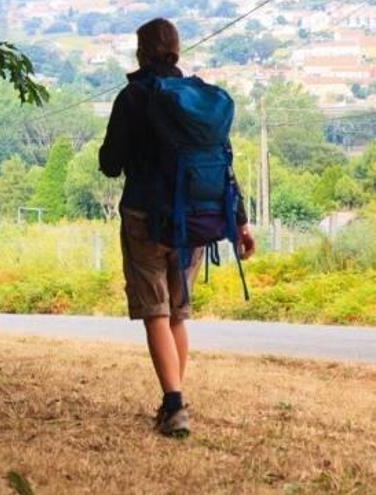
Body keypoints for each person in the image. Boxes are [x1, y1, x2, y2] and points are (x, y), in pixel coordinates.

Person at [99, 18, 256, 437]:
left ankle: (174, 405)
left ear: (141, 51)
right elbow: (224, 163)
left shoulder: (133, 97)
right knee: (177, 316)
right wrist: (239, 222)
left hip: (145, 218)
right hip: (195, 221)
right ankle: (175, 401)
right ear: (177, 51)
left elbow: (109, 163)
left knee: (156, 310)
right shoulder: (197, 100)